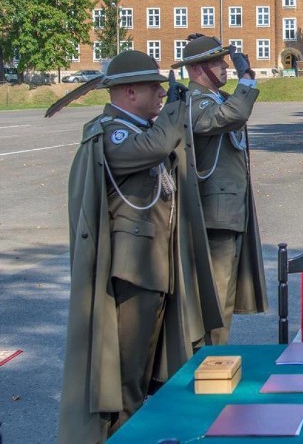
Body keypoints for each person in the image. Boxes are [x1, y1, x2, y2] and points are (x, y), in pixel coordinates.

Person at [59, 51, 221, 442]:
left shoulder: (141, 128)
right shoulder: (112, 132)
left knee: (147, 368)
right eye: (154, 88)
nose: (162, 95)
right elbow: (155, 147)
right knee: (126, 377)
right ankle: (120, 436)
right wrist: (177, 111)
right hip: (133, 273)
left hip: (155, 268)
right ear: (129, 92)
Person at [172, 34, 267, 345]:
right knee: (216, 296)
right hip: (216, 213)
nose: (225, 66)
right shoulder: (197, 103)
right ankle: (210, 361)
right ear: (198, 69)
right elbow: (234, 115)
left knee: (224, 294)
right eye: (217, 62)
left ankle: (215, 357)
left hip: (229, 210)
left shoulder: (215, 99)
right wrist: (246, 79)